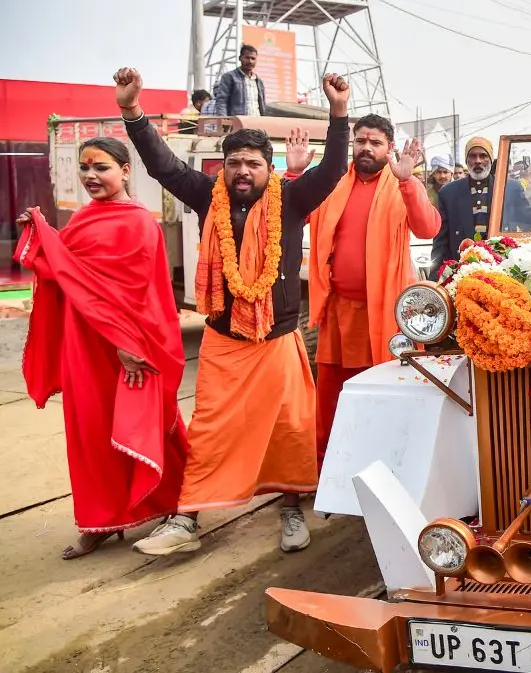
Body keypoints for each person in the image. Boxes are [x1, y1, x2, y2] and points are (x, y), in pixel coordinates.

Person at [116, 67, 351, 556]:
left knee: (287, 430)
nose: (243, 171)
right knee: (211, 429)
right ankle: (186, 519)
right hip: (224, 340)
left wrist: (339, 113)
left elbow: (331, 170)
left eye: (253, 163)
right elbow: (162, 166)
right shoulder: (207, 197)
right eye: (234, 163)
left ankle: (289, 508)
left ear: (270, 167)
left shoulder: (292, 200)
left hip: (277, 339)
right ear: (222, 168)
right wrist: (132, 111)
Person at [14, 138, 188, 560]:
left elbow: (140, 295)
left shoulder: (139, 224)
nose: (91, 176)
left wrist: (126, 344)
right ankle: (98, 521)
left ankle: (183, 507)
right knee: (88, 432)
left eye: (102, 167)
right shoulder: (83, 218)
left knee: (142, 425)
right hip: (83, 344)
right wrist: (41, 236)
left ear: (126, 171)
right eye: (85, 168)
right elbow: (65, 272)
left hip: (126, 347)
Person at [298, 114, 441, 472]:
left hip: (387, 311)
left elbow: (428, 228)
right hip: (338, 310)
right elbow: (297, 214)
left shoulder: (401, 183)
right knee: (333, 394)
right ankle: (330, 469)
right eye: (361, 141)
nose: (365, 148)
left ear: (389, 147)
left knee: (388, 390)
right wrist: (295, 176)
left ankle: (389, 467)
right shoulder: (332, 183)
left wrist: (408, 182)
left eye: (375, 142)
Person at [429, 137, 531, 278]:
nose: (478, 161)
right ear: (466, 160)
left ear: (491, 159)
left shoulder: (510, 188)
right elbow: (441, 243)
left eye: (483, 156)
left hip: (503, 271)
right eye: (473, 156)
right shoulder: (449, 193)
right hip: (462, 273)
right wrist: (434, 280)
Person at [213, 44, 267, 117]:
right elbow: (221, 101)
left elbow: (262, 105)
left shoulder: (259, 81)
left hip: (256, 122)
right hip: (237, 123)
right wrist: (224, 121)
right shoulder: (229, 77)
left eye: (253, 58)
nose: (250, 61)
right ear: (240, 58)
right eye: (247, 58)